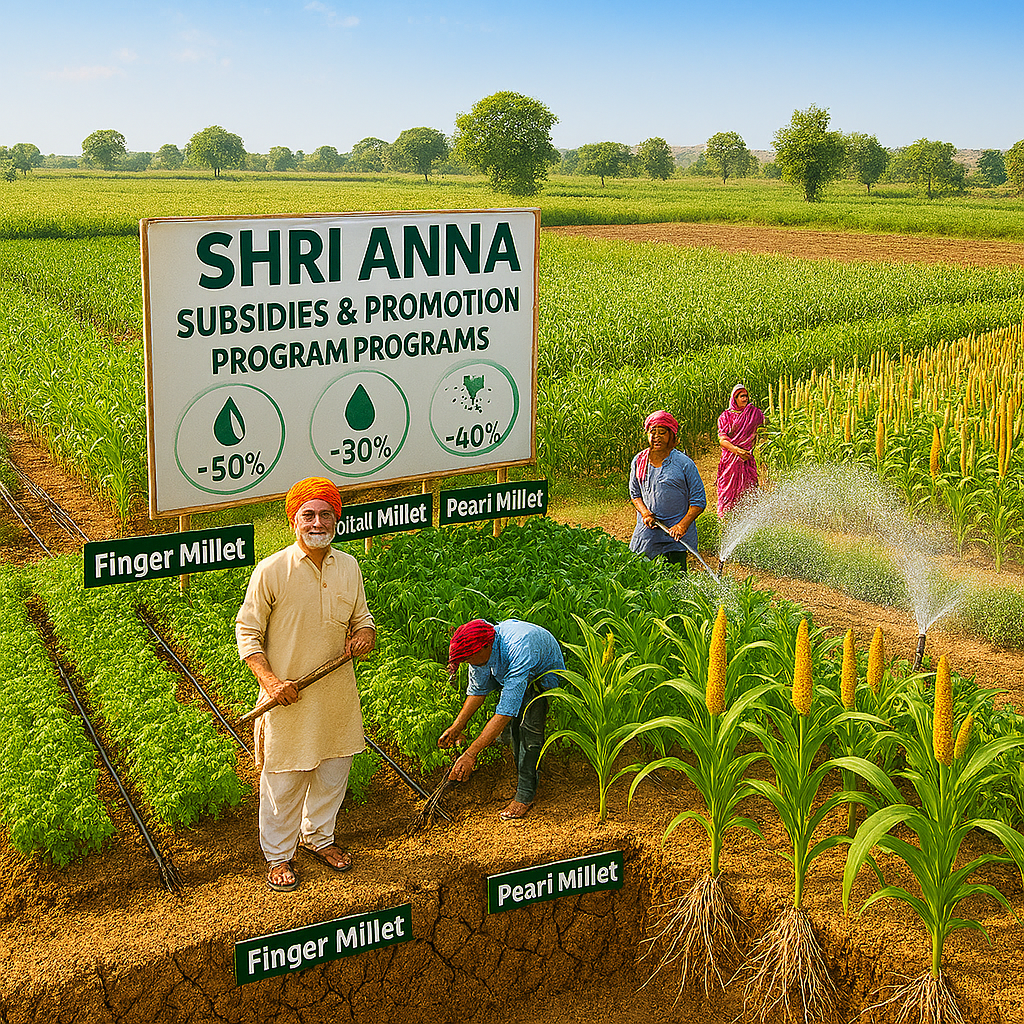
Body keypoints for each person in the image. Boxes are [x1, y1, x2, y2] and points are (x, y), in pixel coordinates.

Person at [236, 476, 375, 893]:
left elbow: (361, 618)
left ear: (337, 519)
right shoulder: (272, 571)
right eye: (308, 515)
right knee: (284, 779)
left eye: (326, 514)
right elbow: (247, 632)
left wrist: (365, 633)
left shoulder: (349, 567)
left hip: (335, 696)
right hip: (289, 701)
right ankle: (278, 856)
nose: (318, 522)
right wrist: (272, 681)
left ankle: (319, 838)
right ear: (294, 521)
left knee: (334, 771)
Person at [438, 619, 564, 821]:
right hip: (510, 673)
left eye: (470, 658)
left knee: (529, 730)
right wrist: (457, 726)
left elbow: (505, 710)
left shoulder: (518, 647)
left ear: (486, 646)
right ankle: (508, 746)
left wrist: (471, 754)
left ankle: (525, 795)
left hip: (542, 674)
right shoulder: (481, 650)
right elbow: (477, 692)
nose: (469, 662)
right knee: (511, 728)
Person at [628, 410, 706, 569]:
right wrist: (645, 513)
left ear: (672, 436)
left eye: (662, 432)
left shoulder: (684, 464)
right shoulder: (639, 461)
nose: (656, 436)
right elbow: (635, 494)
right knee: (645, 576)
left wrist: (681, 526)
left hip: (675, 537)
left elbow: (699, 502)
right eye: (652, 432)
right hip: (648, 533)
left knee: (676, 578)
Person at [716, 384, 765, 517]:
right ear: (734, 398)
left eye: (746, 396)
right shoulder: (725, 417)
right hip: (730, 461)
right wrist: (738, 451)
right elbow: (722, 440)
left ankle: (749, 517)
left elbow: (764, 429)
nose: (745, 399)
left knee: (749, 488)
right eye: (741, 396)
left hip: (747, 460)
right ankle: (726, 519)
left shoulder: (754, 413)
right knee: (728, 490)